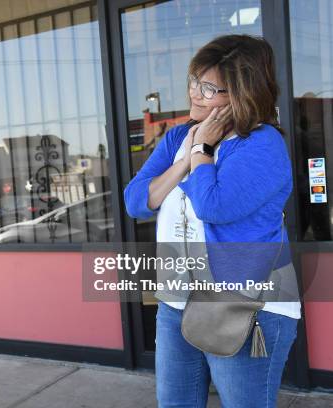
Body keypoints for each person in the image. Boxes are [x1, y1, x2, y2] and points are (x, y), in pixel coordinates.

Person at [124, 35, 301, 407]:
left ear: (242, 92)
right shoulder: (177, 138)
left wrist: (203, 150)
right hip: (175, 303)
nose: (195, 93)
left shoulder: (261, 145)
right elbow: (138, 201)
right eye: (193, 81)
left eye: (210, 87)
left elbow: (213, 206)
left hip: (246, 306)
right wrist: (185, 160)